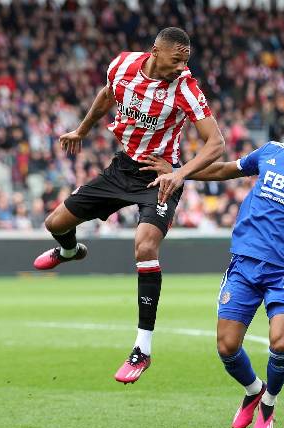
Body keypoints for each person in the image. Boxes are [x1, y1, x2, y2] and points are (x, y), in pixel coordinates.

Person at [32, 27, 225, 384]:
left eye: (186, 60)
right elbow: (108, 95)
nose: (181, 66)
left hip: (158, 177)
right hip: (121, 169)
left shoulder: (185, 88)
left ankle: (142, 348)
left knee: (145, 246)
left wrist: (180, 172)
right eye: (175, 59)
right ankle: (71, 251)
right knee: (55, 224)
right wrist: (81, 130)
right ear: (155, 51)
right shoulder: (122, 65)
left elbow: (216, 143)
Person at [142, 109, 284, 428]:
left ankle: (269, 404)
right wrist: (181, 172)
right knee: (227, 346)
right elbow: (225, 169)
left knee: (280, 342)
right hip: (245, 263)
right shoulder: (271, 152)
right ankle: (253, 390)